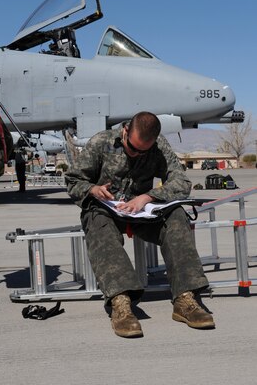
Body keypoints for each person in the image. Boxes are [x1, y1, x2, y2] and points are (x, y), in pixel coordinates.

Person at [65, 112, 215, 338]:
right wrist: (93, 189)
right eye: (132, 148)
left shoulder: (158, 146)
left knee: (176, 215)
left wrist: (148, 197)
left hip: (142, 211)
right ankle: (121, 302)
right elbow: (74, 181)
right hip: (106, 208)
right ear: (125, 131)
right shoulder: (101, 142)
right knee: (98, 223)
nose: (136, 154)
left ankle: (185, 299)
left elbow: (181, 182)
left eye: (142, 151)